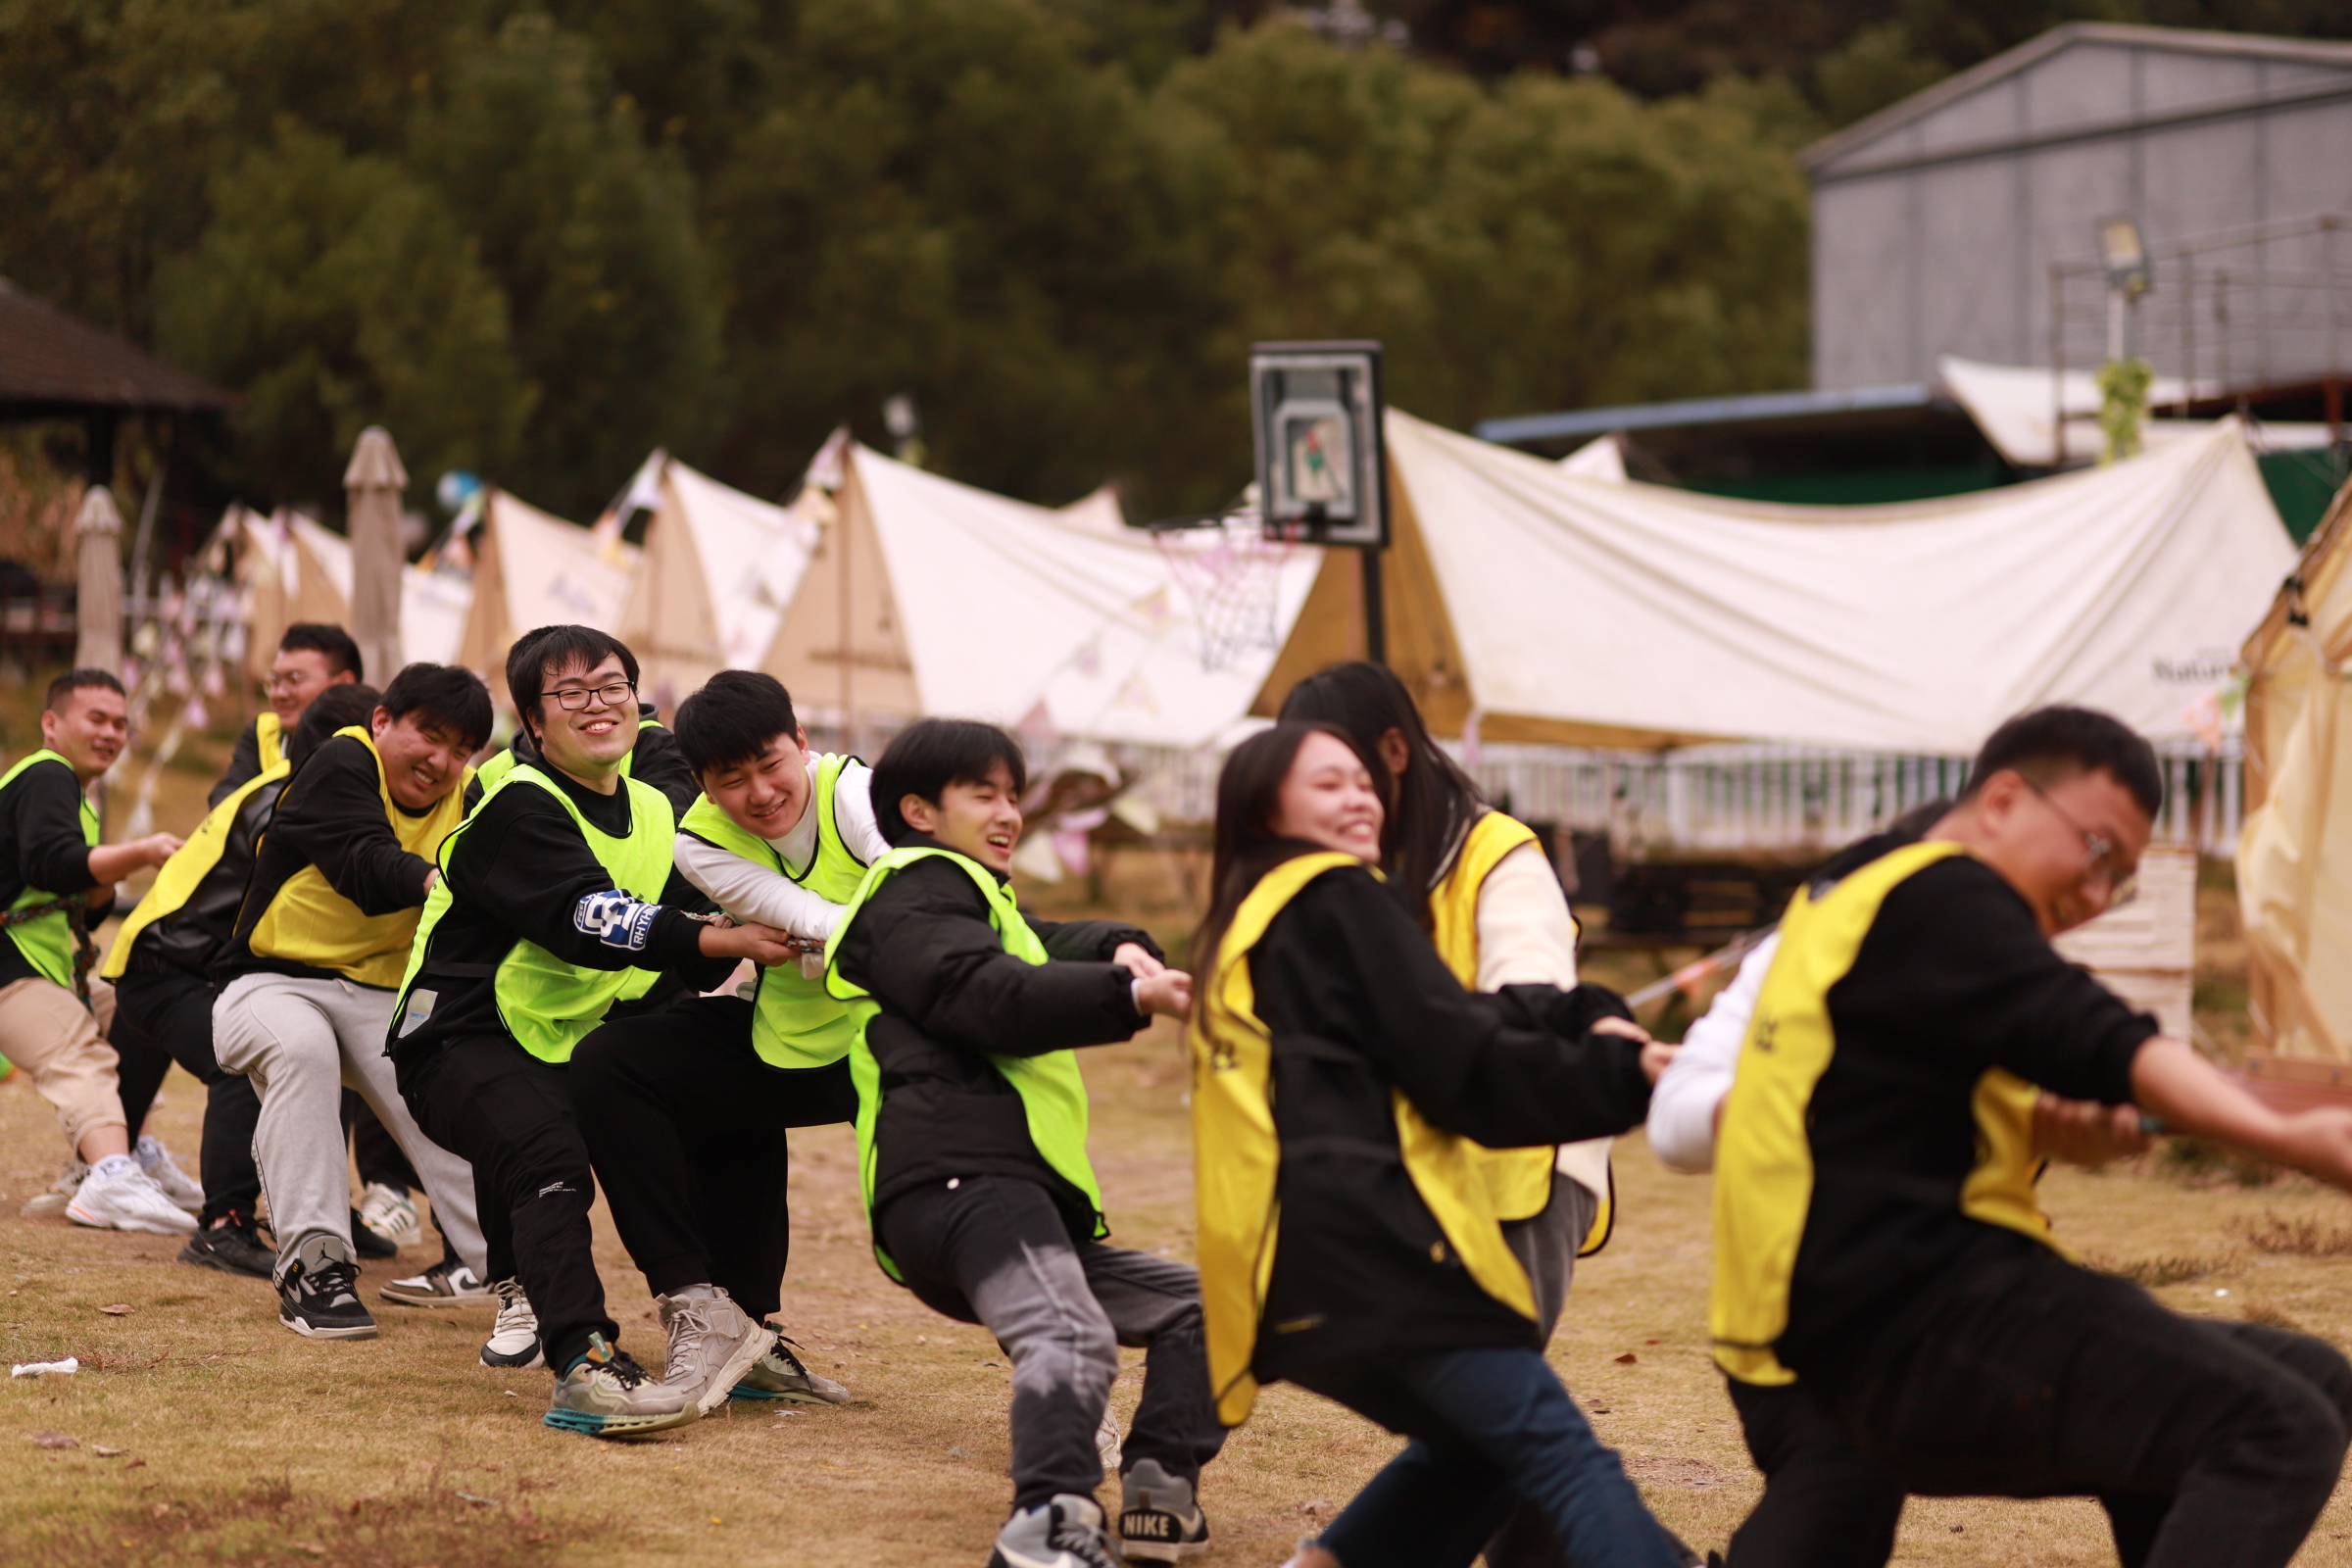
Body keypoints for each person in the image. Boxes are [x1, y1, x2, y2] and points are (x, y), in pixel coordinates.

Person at [1711, 705, 2352, 1568]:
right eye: (2096, 855)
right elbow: (2100, 1036)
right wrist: (2304, 1139)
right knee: (2275, 1425)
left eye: (2117, 880)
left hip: (1894, 1318)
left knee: (2306, 1377)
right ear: (2006, 799)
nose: (2094, 898)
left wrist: (2076, 1131)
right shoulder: (1936, 890)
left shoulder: (1868, 900)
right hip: (1907, 1324)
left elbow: (2009, 1074)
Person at [1188, 722, 1686, 1568]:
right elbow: (1462, 1064)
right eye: (1326, 784)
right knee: (1565, 1463)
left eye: (1361, 782)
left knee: (1477, 1459)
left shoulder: (1251, 922)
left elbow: (1434, 1021)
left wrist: (1575, 1016)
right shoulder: (1339, 894)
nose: (1358, 799)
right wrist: (1622, 1075)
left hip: (1290, 1279)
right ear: (1264, 808)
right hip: (1383, 1262)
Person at [822, 717, 1218, 1568]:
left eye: (1013, 794)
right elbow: (979, 990)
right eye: (983, 794)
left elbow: (1038, 943)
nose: (1008, 813)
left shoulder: (966, 897)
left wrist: (1122, 946)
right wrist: (1132, 997)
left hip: (1010, 1193)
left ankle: (1157, 1495)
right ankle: (1049, 1519)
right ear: (920, 811)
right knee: (1072, 1336)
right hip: (960, 1181)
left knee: (1208, 1307)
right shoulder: (911, 886)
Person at [387, 625, 798, 1439]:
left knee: (731, 1095)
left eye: (611, 686)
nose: (596, 704)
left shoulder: (655, 808)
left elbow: (683, 927)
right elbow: (588, 918)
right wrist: (719, 938)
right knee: (547, 1155)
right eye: (568, 692)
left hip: (571, 1033)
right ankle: (582, 1363)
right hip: (459, 1034)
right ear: (534, 722)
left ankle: (744, 1332)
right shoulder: (516, 803)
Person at [571, 670, 874, 1411]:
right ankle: (716, 1311)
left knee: (946, 1229)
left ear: (802, 744)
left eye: (772, 765)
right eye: (731, 780)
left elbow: (908, 893)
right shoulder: (700, 842)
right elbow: (810, 915)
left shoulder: (857, 792)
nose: (761, 794)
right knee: (615, 1063)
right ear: (705, 786)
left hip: (902, 1048)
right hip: (793, 1045)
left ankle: (1061, 1379)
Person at [210, 662, 495, 1341]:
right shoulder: (341, 761)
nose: (440, 760)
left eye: (460, 750)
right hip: (267, 984)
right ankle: (316, 1268)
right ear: (381, 722)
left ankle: (517, 1271)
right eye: (428, 735)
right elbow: (367, 866)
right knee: (302, 1049)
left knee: (445, 1085)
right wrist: (442, 881)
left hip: (383, 997)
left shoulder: (475, 797)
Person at [104, 683, 381, 1279]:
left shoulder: (298, 790)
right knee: (253, 1055)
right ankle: (222, 1226)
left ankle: (322, 1213)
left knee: (322, 1052)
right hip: (165, 968)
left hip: (190, 963)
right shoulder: (293, 806)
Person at [0, 669, 189, 1233]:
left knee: (140, 1013)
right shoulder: (47, 775)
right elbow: (51, 864)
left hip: (47, 967)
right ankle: (108, 1173)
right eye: (97, 719)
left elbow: (78, 903)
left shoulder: (76, 796)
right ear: (52, 723)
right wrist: (141, 852)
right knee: (77, 1049)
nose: (111, 733)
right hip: (11, 969)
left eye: (120, 724)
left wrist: (104, 873)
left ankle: (134, 1155)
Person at [211, 622, 363, 808]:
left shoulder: (371, 745)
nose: (279, 694)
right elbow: (226, 799)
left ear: (343, 683)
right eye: (274, 680)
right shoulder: (264, 733)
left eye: (294, 679)